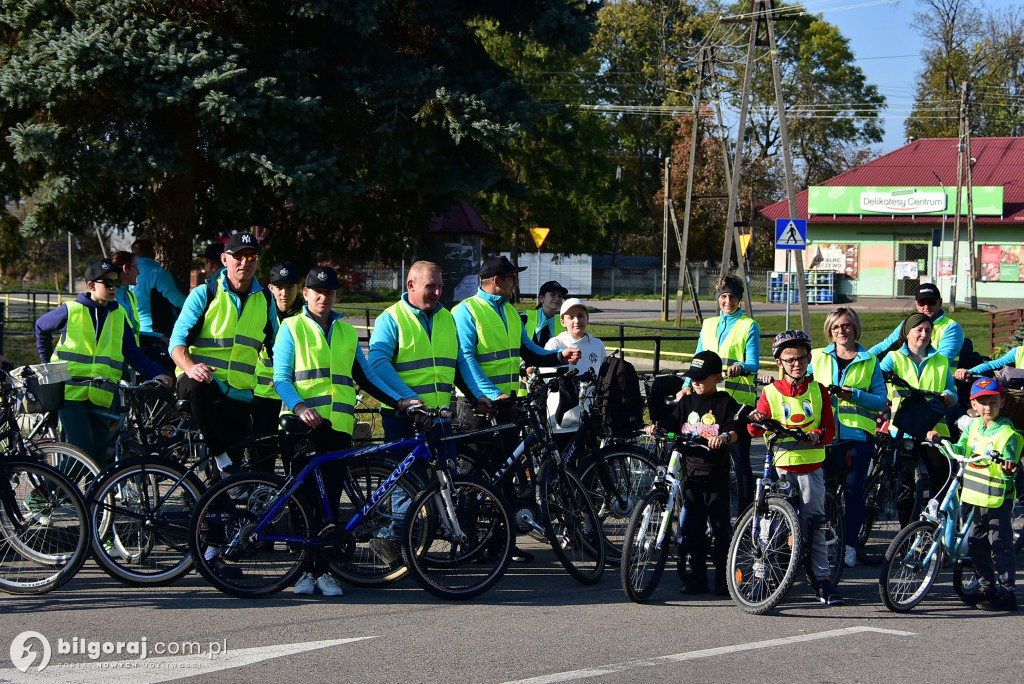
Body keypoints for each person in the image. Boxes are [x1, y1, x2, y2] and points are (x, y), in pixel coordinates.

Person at [274, 266, 418, 597]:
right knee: (304, 502)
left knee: (329, 503)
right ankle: (303, 573)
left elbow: (366, 378)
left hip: (337, 427)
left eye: (330, 293)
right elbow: (281, 378)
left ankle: (323, 571)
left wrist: (399, 402)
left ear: (337, 296)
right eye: (317, 292)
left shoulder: (346, 331)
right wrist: (300, 407)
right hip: (300, 426)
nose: (324, 298)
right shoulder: (291, 328)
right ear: (306, 294)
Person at [451, 255, 581, 563]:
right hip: (477, 405)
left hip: (506, 404)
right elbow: (466, 359)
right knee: (476, 477)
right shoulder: (465, 311)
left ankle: (502, 543)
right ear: (497, 281)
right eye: (511, 278)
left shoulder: (509, 310)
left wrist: (560, 356)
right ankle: (470, 544)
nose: (515, 284)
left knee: (506, 475)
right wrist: (491, 394)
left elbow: (527, 350)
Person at [34, 258, 173, 465]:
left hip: (102, 394)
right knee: (81, 457)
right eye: (107, 283)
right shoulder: (71, 310)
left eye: (116, 283)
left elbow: (132, 353)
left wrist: (157, 373)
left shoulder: (119, 314)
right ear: (91, 286)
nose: (113, 287)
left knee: (100, 458)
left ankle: (93, 498)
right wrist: (49, 367)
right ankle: (42, 493)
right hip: (70, 393)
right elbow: (40, 327)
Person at [748, 330, 842, 606]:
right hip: (780, 470)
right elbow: (755, 428)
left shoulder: (818, 390)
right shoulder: (770, 392)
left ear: (809, 359)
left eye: (801, 358)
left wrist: (818, 434)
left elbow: (829, 429)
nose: (796, 364)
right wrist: (755, 419)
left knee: (815, 525)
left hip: (811, 469)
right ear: (779, 362)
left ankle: (822, 581)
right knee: (768, 526)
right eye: (789, 360)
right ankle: (761, 578)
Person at [647, 350, 743, 596]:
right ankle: (697, 577)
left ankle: (723, 577)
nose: (696, 382)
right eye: (693, 377)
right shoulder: (687, 401)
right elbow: (673, 421)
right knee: (693, 529)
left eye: (702, 377)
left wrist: (723, 437)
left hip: (715, 475)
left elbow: (735, 427)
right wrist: (657, 427)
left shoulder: (725, 402)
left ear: (718, 377)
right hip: (690, 474)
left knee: (721, 527)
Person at [927, 377, 1020, 612]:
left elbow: (1010, 465)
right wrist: (942, 442)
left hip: (997, 497)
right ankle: (988, 586)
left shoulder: (1007, 433)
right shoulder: (974, 426)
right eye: (983, 402)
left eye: (993, 402)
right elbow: (963, 448)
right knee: (977, 544)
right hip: (975, 496)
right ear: (974, 405)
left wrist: (1008, 468)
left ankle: (1007, 592)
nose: (988, 407)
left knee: (1000, 544)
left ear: (1002, 401)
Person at [809, 307, 887, 569]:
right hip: (825, 434)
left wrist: (854, 394)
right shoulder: (818, 357)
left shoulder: (869, 360)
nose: (841, 331)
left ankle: (850, 545)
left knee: (853, 493)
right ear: (829, 331)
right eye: (835, 328)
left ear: (855, 328)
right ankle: (822, 543)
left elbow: (880, 401)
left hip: (857, 436)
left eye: (846, 326)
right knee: (821, 492)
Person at [683, 274, 760, 513]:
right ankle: (712, 513)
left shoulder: (749, 325)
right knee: (708, 461)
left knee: (740, 463)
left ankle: (746, 516)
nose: (728, 301)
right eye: (724, 297)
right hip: (710, 401)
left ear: (739, 299)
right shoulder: (708, 325)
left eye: (733, 297)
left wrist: (742, 367)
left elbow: (754, 363)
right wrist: (687, 385)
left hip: (737, 404)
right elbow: (697, 360)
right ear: (718, 299)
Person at [878, 312, 958, 519]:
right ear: (907, 333)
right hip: (903, 427)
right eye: (919, 330)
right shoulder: (893, 358)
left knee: (941, 482)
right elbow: (876, 380)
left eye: (928, 330)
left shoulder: (940, 360)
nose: (924, 334)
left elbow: (952, 391)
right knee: (905, 486)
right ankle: (906, 537)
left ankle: (937, 530)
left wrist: (950, 397)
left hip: (934, 428)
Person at [369, 261, 457, 440]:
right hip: (403, 418)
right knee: (407, 469)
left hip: (439, 417)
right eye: (431, 286)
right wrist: (411, 400)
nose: (438, 293)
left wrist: (479, 395)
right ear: (411, 285)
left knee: (449, 468)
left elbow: (460, 362)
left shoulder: (447, 317)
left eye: (440, 286)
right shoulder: (390, 318)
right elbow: (378, 364)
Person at [249, 261, 303, 474]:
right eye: (279, 288)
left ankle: (294, 505)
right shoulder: (259, 312)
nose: (284, 293)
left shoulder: (306, 317)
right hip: (262, 397)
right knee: (263, 460)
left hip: (294, 397)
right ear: (270, 288)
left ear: (298, 288)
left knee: (294, 460)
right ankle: (263, 502)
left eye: (289, 287)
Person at [542, 298, 606, 434]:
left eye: (581, 316)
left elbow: (603, 375)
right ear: (562, 321)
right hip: (562, 419)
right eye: (571, 317)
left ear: (587, 318)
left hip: (589, 418)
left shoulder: (597, 344)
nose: (577, 321)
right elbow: (549, 379)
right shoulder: (555, 344)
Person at [110, 250, 174, 374]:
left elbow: (132, 333)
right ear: (125, 268)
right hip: (113, 368)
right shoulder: (110, 298)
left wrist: (159, 337)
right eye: (136, 268)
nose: (139, 272)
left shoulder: (129, 296)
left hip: (129, 366)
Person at [868, 282, 963, 364]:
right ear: (916, 304)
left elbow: (941, 361)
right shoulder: (908, 323)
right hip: (905, 379)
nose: (926, 307)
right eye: (922, 302)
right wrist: (863, 360)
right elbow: (885, 346)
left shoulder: (952, 328)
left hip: (939, 382)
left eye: (931, 302)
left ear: (940, 302)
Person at [131, 238, 187, 337]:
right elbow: (176, 300)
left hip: (131, 330)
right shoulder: (157, 272)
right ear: (153, 254)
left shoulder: (124, 273)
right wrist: (199, 306)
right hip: (154, 332)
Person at [521, 280, 568, 346]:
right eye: (553, 294)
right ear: (541, 298)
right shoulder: (525, 317)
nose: (557, 299)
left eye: (560, 296)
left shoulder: (563, 324)